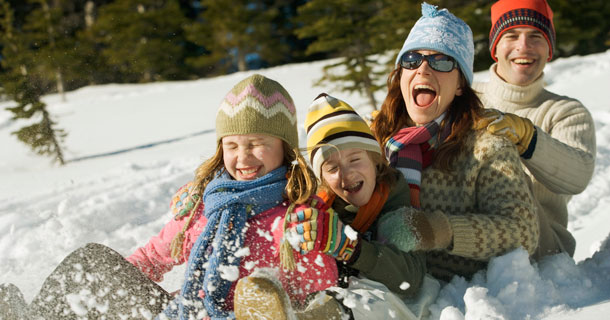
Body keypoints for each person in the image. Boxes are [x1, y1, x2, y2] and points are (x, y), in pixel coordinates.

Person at [0, 74, 339, 320]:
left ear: (285, 147)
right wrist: (108, 291)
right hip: (178, 314)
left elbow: (319, 290)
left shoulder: (295, 216)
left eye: (257, 144)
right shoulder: (204, 208)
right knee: (91, 262)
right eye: (232, 146)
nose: (243, 157)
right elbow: (150, 259)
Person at [370, 2, 540, 282]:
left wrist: (437, 231)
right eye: (412, 59)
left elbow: (524, 233)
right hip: (380, 279)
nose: (423, 70)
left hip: (456, 297)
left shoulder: (487, 148)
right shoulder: (375, 138)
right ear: (401, 74)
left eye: (441, 61)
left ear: (461, 84)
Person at [234, 93, 437, 320]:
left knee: (388, 300)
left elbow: (409, 279)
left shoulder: (394, 200)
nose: (346, 174)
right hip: (337, 289)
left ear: (375, 160)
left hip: (388, 292)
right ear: (322, 179)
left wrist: (348, 247)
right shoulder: (323, 206)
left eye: (355, 159)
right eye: (332, 168)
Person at [473, 0, 596, 258]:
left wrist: (528, 138)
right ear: (495, 47)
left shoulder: (565, 112)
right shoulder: (466, 99)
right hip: (468, 236)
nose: (523, 47)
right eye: (512, 35)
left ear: (549, 49)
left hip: (541, 248)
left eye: (536, 36)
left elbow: (579, 175)